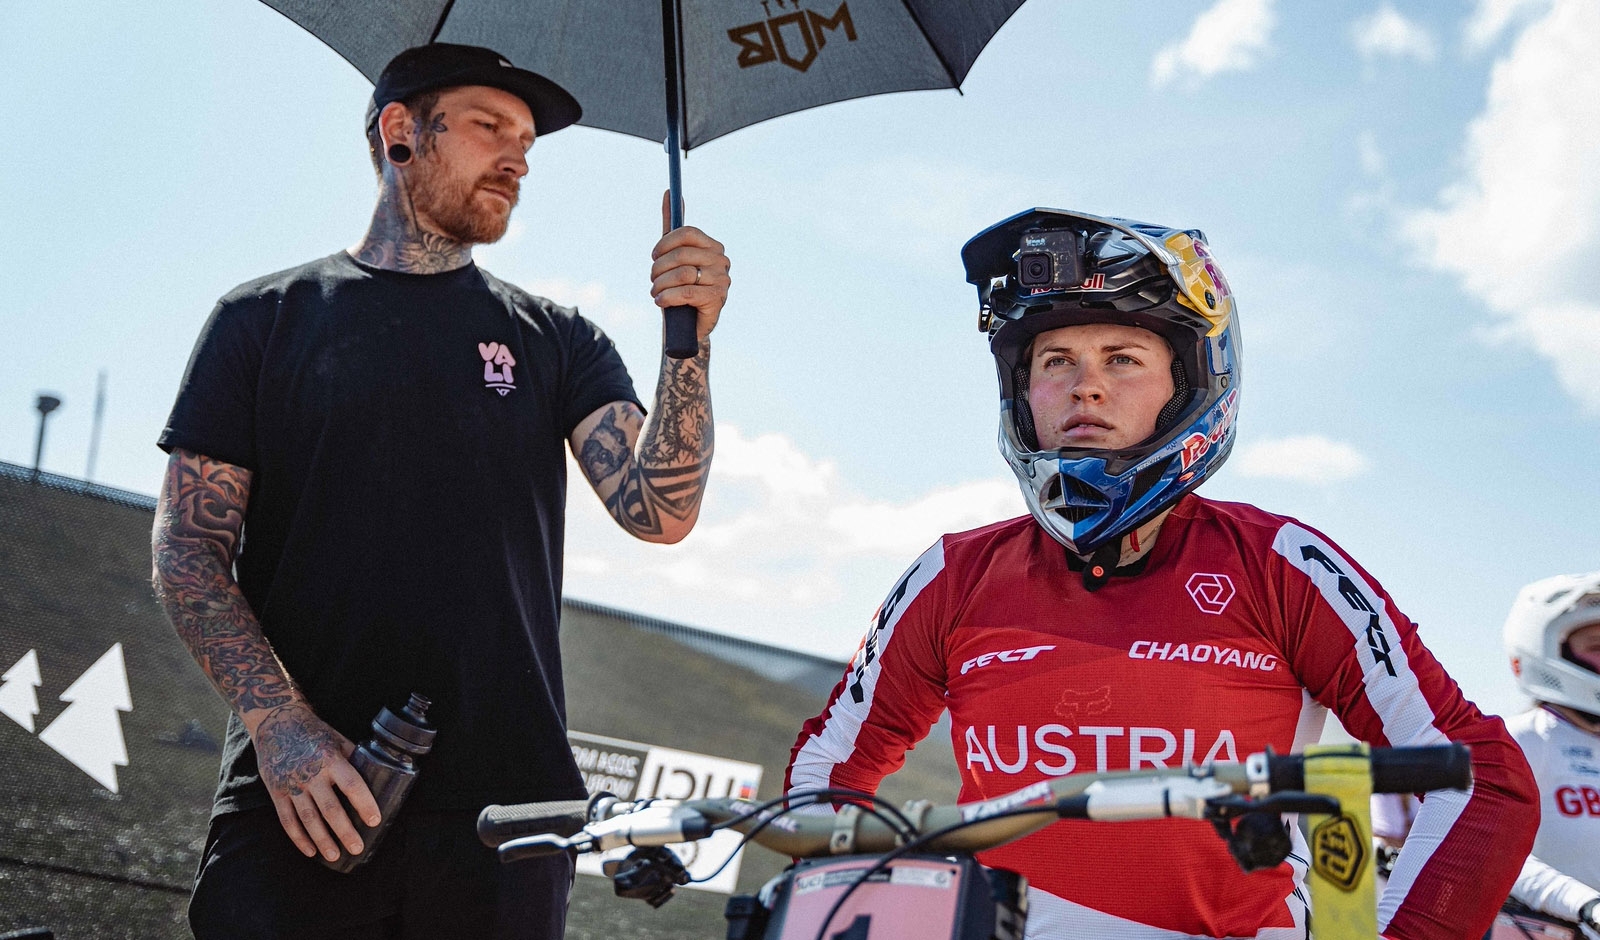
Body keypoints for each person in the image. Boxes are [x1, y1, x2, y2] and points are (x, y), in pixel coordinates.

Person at [785, 208, 1537, 939]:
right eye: (1056, 361)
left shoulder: (1282, 563)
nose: (1086, 387)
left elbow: (1482, 775)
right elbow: (823, 777)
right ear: (1022, 391)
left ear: (1188, 384)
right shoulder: (954, 573)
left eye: (1122, 358)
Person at [150, 43, 731, 940]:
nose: (519, 157)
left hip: (510, 818)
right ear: (399, 132)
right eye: (490, 126)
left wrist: (688, 343)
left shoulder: (557, 339)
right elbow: (188, 551)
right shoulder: (263, 319)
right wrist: (283, 729)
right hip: (307, 800)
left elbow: (659, 510)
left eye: (529, 142)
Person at [1500, 572, 1600, 937]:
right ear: (1549, 650)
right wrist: (1586, 904)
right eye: (1597, 646)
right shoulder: (1518, 741)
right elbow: (1492, 857)